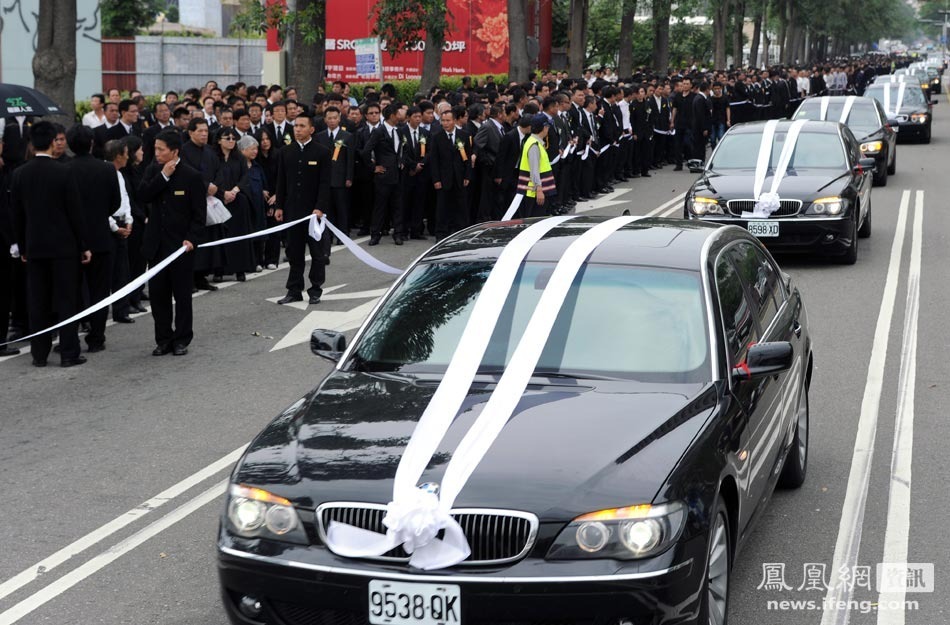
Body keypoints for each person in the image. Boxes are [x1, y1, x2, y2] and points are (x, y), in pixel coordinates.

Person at [10, 121, 90, 367]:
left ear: (32, 143)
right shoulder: (64, 172)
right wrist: (83, 245)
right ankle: (68, 352)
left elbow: (17, 216)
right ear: (52, 141)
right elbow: (75, 213)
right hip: (64, 247)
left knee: (38, 301)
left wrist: (23, 247)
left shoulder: (19, 174)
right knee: (66, 300)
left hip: (35, 247)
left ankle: (39, 354)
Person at [138, 129, 206, 357]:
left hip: (181, 247)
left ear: (174, 151)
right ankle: (163, 338)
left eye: (161, 149)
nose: (156, 153)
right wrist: (163, 176)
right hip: (156, 245)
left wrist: (192, 238)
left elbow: (199, 214)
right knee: (158, 296)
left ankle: (182, 338)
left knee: (182, 295)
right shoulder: (153, 170)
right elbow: (143, 195)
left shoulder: (192, 176)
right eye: (155, 148)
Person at [67, 125, 122, 352]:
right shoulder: (107, 170)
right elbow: (115, 203)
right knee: (100, 290)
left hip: (72, 239)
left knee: (71, 290)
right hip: (100, 235)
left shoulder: (64, 168)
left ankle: (70, 336)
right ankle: (97, 337)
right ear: (91, 143)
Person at [273, 113, 331, 305]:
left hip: (314, 213)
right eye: (296, 126)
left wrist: (320, 208)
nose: (297, 129)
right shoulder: (285, 152)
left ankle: (315, 289)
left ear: (311, 129)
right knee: (294, 252)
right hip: (292, 211)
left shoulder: (322, 152)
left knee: (317, 253)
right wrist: (279, 206)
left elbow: (325, 183)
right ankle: (294, 289)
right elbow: (281, 181)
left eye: (302, 126)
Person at [210, 127, 256, 281]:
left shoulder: (240, 158)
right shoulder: (213, 157)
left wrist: (235, 191)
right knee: (220, 236)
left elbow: (245, 177)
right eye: (227, 138)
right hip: (218, 200)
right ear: (219, 140)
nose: (231, 141)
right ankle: (219, 270)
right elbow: (211, 178)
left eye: (233, 138)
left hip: (237, 199)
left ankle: (240, 269)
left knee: (239, 235)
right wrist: (222, 193)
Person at [361, 103, 405, 246]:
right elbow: (366, 151)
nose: (400, 116)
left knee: (397, 206)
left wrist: (401, 161)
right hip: (383, 176)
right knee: (380, 207)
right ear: (392, 115)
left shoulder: (398, 131)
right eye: (398, 114)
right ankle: (375, 234)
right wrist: (373, 167)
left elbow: (400, 150)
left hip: (397, 175)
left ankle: (398, 234)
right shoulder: (379, 131)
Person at [315, 105, 354, 255]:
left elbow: (350, 159)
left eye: (334, 118)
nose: (332, 121)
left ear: (339, 119)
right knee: (327, 209)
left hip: (341, 178)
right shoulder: (320, 136)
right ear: (325, 119)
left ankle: (342, 234)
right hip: (325, 179)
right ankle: (328, 236)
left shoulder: (347, 136)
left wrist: (349, 177)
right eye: (329, 118)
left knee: (342, 208)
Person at [104, 139, 136, 323]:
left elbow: (125, 199)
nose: (128, 156)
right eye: (125, 152)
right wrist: (115, 227)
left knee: (122, 271)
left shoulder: (120, 175)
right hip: (110, 225)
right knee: (107, 271)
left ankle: (121, 309)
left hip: (123, 222)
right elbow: (100, 204)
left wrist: (129, 220)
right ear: (117, 155)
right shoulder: (103, 173)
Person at [429, 108, 471, 240]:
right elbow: (434, 160)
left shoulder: (464, 135)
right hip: (444, 178)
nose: (445, 123)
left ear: (454, 121)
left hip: (459, 178)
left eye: (448, 120)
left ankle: (461, 234)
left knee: (461, 207)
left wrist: (467, 176)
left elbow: (468, 159)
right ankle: (441, 234)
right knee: (442, 208)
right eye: (443, 121)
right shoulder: (437, 137)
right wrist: (436, 179)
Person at [516, 114, 556, 218]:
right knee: (534, 220)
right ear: (543, 127)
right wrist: (539, 190)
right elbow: (534, 170)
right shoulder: (534, 145)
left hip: (536, 191)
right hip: (534, 192)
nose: (548, 129)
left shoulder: (534, 142)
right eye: (547, 126)